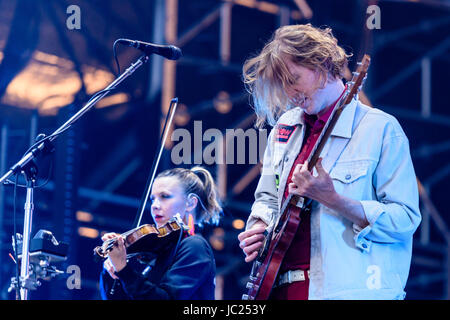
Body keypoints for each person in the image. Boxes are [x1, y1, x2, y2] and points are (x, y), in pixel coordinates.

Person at [238, 24, 421, 300]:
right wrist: (259, 226)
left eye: (294, 78)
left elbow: (405, 220)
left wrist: (334, 199)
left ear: (322, 64)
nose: (290, 92)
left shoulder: (380, 129)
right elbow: (266, 198)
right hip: (279, 288)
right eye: (283, 84)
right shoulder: (285, 128)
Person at [99, 167, 222, 300]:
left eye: (165, 196)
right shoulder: (162, 251)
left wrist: (124, 269)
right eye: (153, 199)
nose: (154, 205)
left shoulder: (194, 246)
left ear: (190, 203)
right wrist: (113, 271)